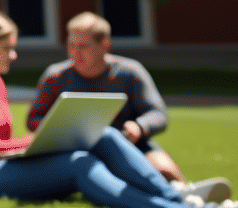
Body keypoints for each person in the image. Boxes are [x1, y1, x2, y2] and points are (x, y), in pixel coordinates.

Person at [0, 9, 238, 208]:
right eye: (6, 48)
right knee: (78, 164)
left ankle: (178, 197)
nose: (13, 55)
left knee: (105, 135)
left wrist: (52, 138)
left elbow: (2, 145)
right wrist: (37, 142)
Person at [29, 12, 185, 184]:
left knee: (165, 170)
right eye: (71, 45)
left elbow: (158, 114)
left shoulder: (129, 72)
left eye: (83, 46)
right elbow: (33, 118)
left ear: (105, 45)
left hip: (129, 146)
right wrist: (55, 128)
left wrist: (139, 126)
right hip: (72, 150)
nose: (75, 52)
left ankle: (189, 197)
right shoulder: (55, 76)